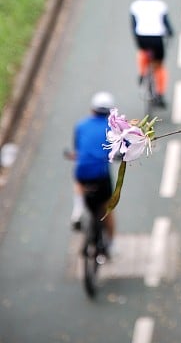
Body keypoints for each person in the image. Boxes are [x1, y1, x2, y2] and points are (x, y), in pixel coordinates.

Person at [72, 92, 116, 252]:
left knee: (78, 180)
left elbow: (78, 149)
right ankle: (111, 246)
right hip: (101, 176)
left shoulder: (80, 125)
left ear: (92, 109)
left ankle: (77, 211)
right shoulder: (111, 128)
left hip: (82, 172)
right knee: (107, 209)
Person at [130, 0, 174, 107]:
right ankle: (160, 93)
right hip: (157, 38)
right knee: (159, 65)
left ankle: (142, 73)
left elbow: (133, 25)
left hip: (141, 37)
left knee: (143, 52)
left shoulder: (135, 5)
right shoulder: (160, 5)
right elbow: (166, 23)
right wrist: (170, 33)